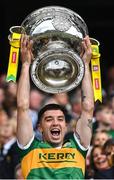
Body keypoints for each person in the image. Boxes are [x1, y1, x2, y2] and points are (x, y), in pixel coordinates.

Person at [16, 34, 94, 179]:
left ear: (66, 125)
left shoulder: (77, 147)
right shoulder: (30, 148)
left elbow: (88, 107)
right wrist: (26, 64)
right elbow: (22, 106)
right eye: (49, 119)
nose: (55, 123)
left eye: (60, 119)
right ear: (39, 127)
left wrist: (85, 65)